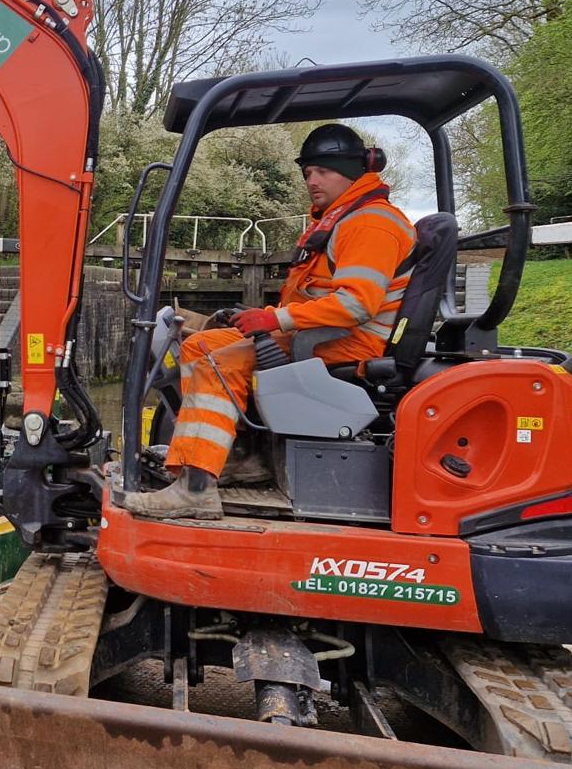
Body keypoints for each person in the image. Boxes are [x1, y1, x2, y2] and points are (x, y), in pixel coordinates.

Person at [123, 124, 417, 521]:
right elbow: (317, 294)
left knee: (218, 364)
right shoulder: (341, 218)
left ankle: (195, 490)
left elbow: (355, 305)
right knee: (199, 346)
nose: (312, 180)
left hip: (347, 340)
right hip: (316, 332)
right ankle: (240, 458)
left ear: (351, 171)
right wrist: (263, 319)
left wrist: (273, 318)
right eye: (307, 172)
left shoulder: (369, 224)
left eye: (322, 171)